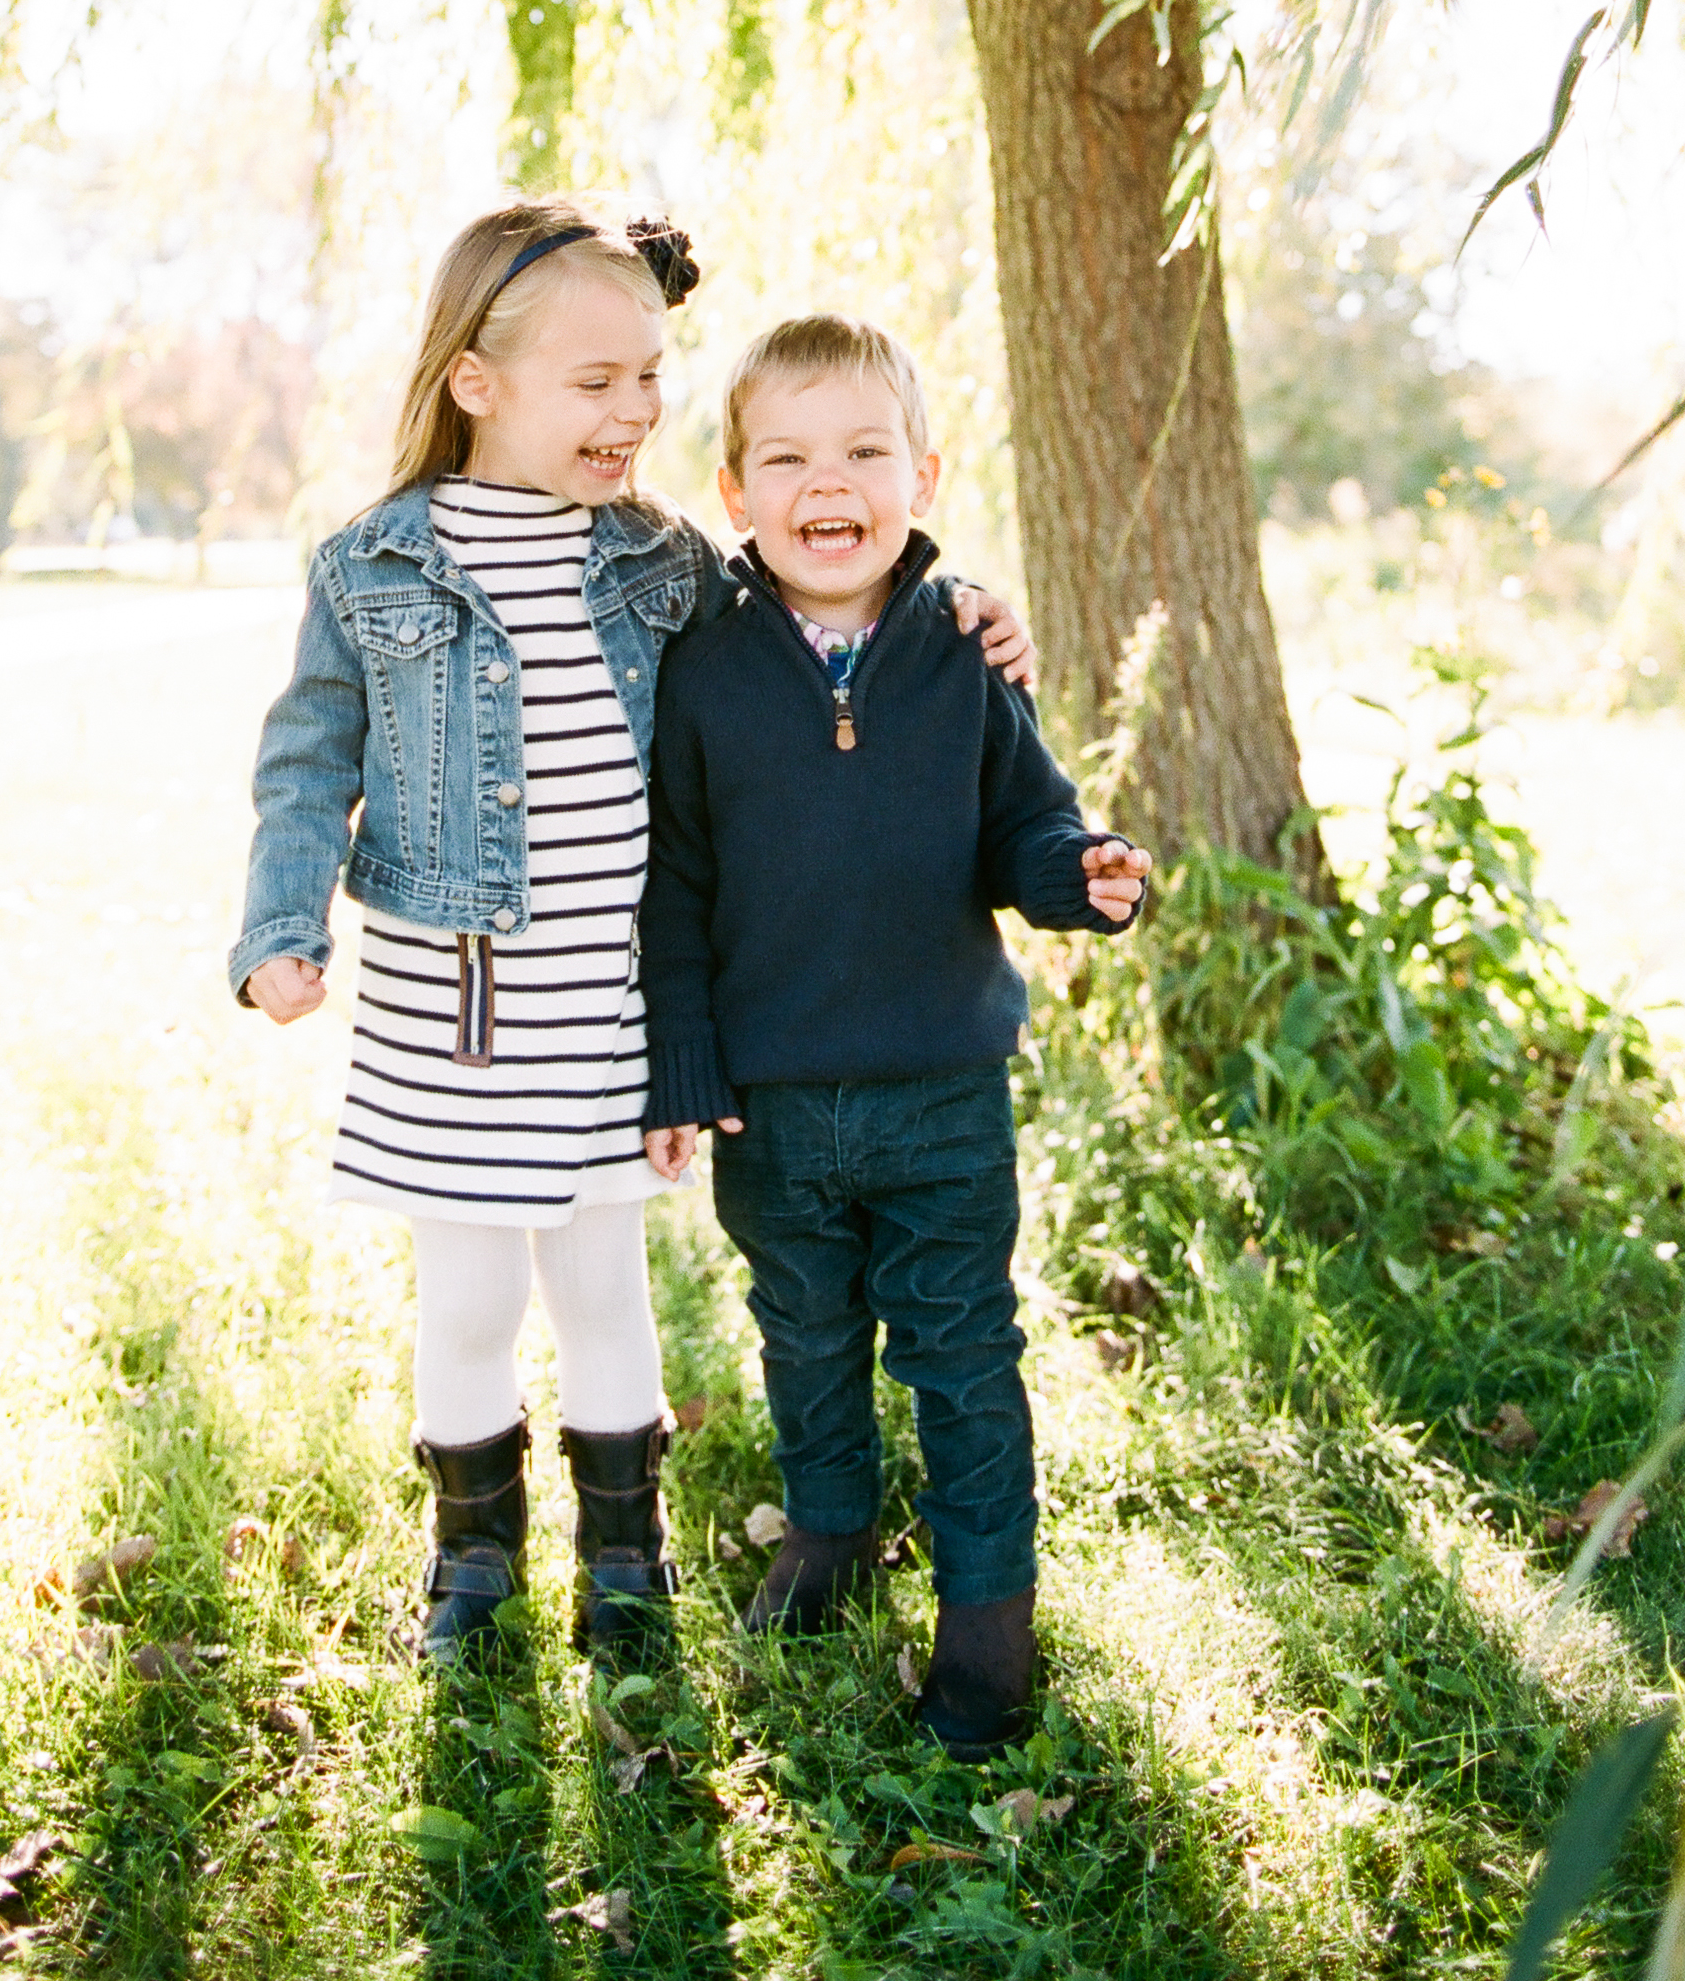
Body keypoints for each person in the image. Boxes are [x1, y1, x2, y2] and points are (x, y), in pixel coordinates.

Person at [227, 204, 1041, 1668]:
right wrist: (282, 922)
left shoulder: (657, 562)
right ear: (477, 383)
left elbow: (820, 578)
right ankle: (471, 1559)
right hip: (451, 1007)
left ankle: (626, 1557)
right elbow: (307, 758)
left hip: (607, 1003)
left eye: (650, 376)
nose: (637, 410)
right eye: (596, 381)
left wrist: (958, 598)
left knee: (603, 1283)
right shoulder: (373, 564)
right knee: (470, 1294)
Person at [639, 314, 1151, 1758]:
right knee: (804, 1332)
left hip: (942, 1091)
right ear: (736, 493)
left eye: (864, 451)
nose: (830, 483)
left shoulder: (963, 652)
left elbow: (1026, 825)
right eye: (788, 457)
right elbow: (672, 886)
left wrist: (1082, 876)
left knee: (963, 1351)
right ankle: (830, 1530)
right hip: (774, 1100)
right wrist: (686, 1060)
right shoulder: (706, 666)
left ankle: (989, 1619)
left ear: (920, 473)